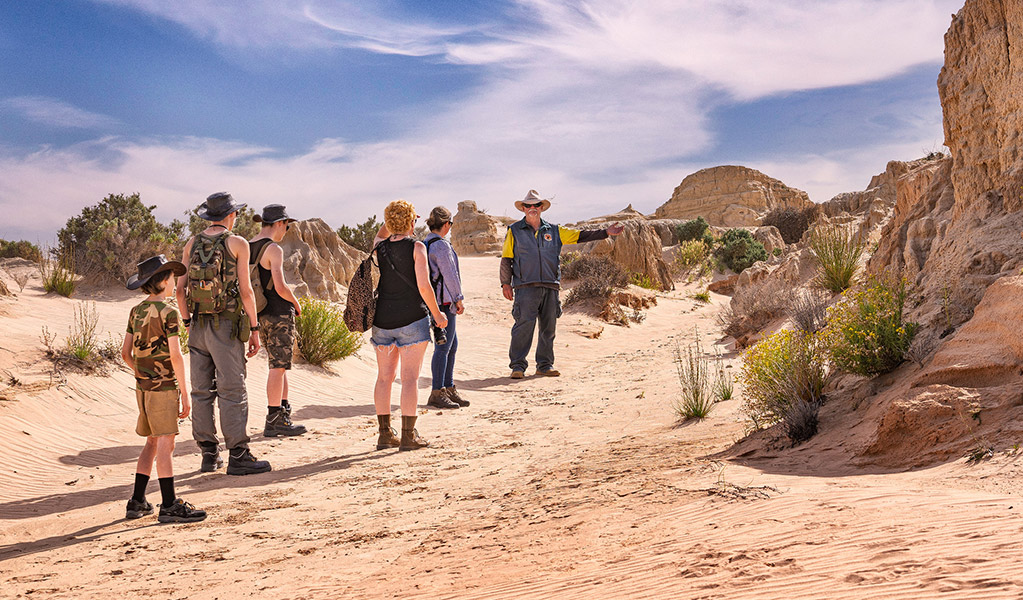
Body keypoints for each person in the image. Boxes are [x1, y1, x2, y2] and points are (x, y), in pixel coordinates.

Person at [176, 192, 270, 476]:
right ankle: (239, 454)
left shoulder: (191, 243)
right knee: (232, 390)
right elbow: (245, 291)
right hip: (227, 327)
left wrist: (187, 322)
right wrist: (254, 329)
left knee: (201, 391)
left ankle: (208, 453)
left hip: (198, 327)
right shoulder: (237, 243)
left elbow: (179, 290)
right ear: (231, 215)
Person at [500, 189, 624, 379]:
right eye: (528, 205)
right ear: (523, 208)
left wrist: (605, 232)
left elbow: (581, 235)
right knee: (523, 326)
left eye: (536, 205)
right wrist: (505, 284)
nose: (532, 208)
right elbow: (506, 258)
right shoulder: (514, 231)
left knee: (548, 328)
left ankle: (544, 365)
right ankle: (518, 366)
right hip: (525, 287)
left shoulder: (555, 231)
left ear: (542, 207)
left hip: (550, 285)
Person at [122, 255, 207, 523]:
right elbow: (176, 355)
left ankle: (137, 501)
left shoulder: (136, 311)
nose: (174, 282)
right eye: (171, 277)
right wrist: (184, 391)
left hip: (143, 387)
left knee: (151, 441)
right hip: (164, 388)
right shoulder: (169, 313)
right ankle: (169, 504)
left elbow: (125, 353)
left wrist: (141, 373)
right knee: (166, 444)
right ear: (163, 281)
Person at [370, 199, 448, 451]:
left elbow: (381, 233)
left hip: (382, 320)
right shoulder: (417, 247)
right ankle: (408, 435)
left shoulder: (378, 247)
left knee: (384, 378)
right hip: (412, 319)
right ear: (412, 221)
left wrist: (393, 219)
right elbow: (424, 286)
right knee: (410, 379)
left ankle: (384, 434)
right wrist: (437, 315)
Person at [249, 204, 306, 437]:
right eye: (287, 225)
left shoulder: (249, 245)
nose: (287, 230)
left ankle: (283, 413)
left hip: (261, 312)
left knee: (279, 366)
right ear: (280, 223)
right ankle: (274, 419)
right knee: (278, 366)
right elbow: (281, 287)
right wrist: (296, 303)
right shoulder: (273, 249)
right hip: (279, 312)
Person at [423, 206, 468, 410]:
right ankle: (437, 391)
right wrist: (458, 298)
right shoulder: (441, 246)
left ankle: (448, 388)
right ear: (447, 224)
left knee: (451, 345)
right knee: (443, 347)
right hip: (444, 302)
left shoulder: (425, 243)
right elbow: (450, 274)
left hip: (435, 300)